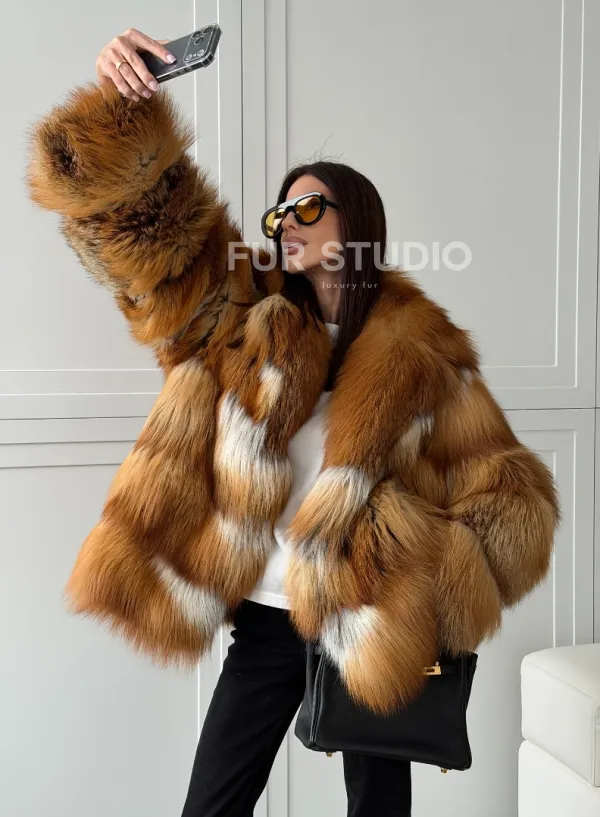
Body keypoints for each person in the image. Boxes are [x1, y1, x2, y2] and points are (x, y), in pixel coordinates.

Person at [26, 28, 561, 817]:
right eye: (281, 210)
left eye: (310, 206)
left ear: (358, 221)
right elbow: (152, 248)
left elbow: (514, 501)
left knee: (379, 808)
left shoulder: (424, 351)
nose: (287, 222)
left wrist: (421, 568)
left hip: (371, 613)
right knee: (213, 802)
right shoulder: (245, 313)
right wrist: (122, 113)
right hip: (268, 618)